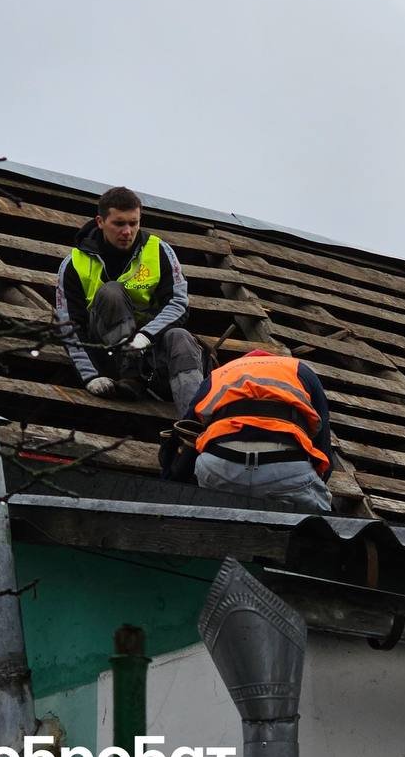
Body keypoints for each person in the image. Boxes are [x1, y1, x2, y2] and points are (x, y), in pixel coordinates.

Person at [55, 186, 206, 415]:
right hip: (108, 356)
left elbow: (178, 304)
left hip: (151, 352)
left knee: (181, 337)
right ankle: (130, 375)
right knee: (111, 292)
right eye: (119, 223)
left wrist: (146, 336)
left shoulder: (159, 251)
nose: (127, 231)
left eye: (133, 223)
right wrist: (90, 376)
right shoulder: (74, 263)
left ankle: (195, 420)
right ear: (100, 222)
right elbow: (68, 325)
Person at [186, 350, 333, 513]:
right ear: (274, 359)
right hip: (286, 468)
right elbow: (323, 441)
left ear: (242, 361)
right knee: (321, 522)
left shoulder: (218, 374)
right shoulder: (299, 369)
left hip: (220, 465)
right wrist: (318, 475)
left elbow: (187, 429)